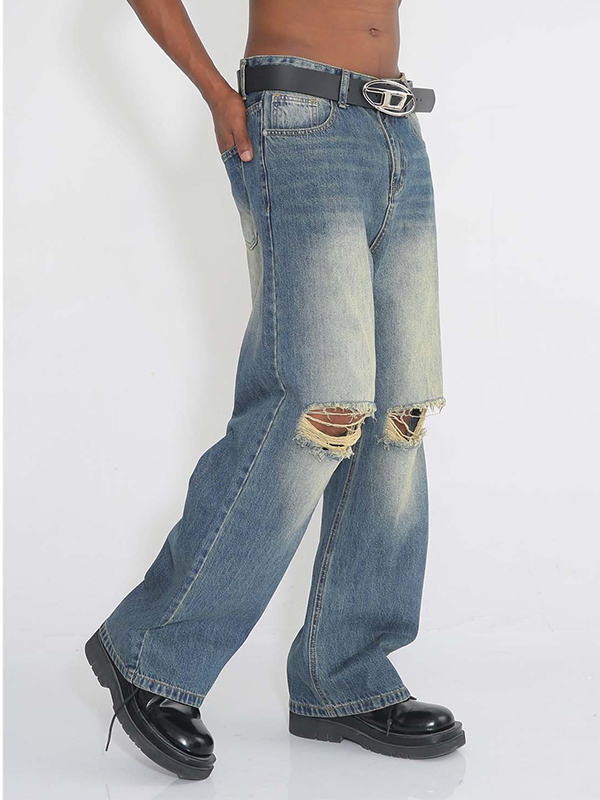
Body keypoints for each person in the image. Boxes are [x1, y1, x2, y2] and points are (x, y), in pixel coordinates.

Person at [85, 0, 466, 780]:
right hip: (298, 121)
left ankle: (344, 675)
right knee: (315, 406)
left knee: (399, 412)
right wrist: (215, 94)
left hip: (397, 127)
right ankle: (151, 652)